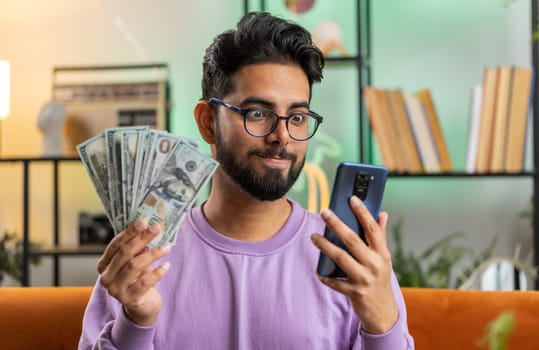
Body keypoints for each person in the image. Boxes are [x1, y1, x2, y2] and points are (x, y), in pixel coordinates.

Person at [79, 12, 415, 349]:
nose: (282, 136)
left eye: (297, 117)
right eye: (258, 113)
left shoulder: (351, 263)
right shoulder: (139, 258)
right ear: (208, 121)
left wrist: (382, 323)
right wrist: (137, 322)